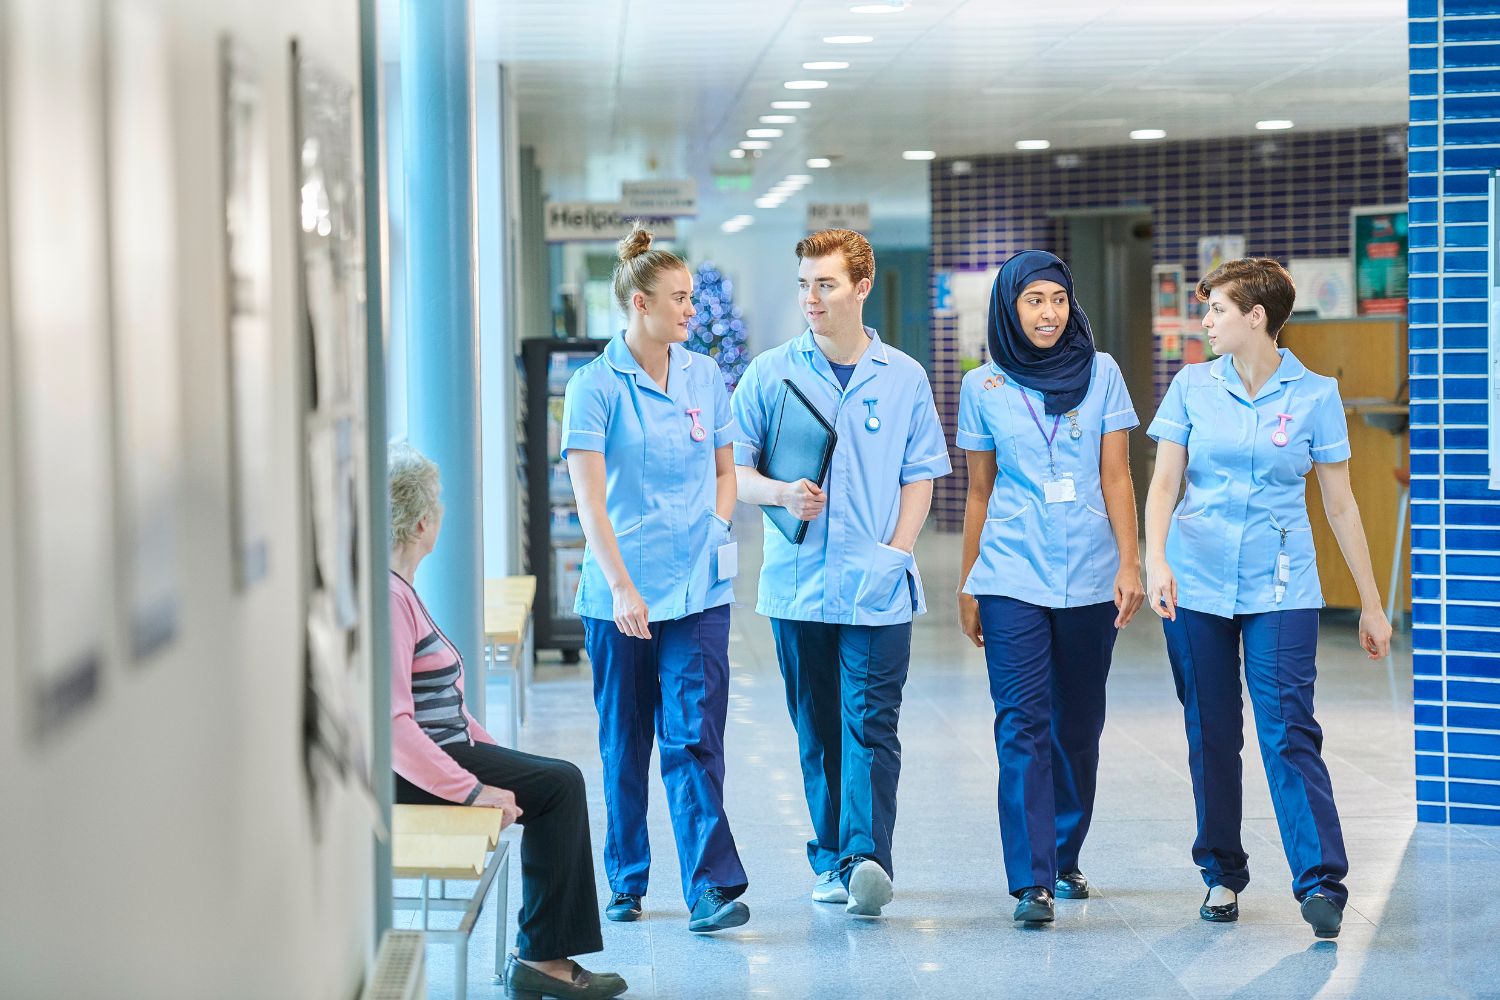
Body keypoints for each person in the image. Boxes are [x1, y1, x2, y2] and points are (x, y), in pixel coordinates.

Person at [1143, 257, 1393, 940]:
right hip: (1194, 581)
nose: (1206, 320)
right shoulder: (1192, 385)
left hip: (1282, 584)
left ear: (1257, 317)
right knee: (1211, 733)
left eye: (1217, 309)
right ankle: (1221, 872)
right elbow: (1165, 483)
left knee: (1289, 728)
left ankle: (1320, 883)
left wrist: (1372, 604)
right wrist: (1154, 558)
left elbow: (1340, 506)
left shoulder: (1314, 395)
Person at [731, 228, 951, 918]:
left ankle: (866, 858)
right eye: (803, 284)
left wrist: (896, 550)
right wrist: (779, 493)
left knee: (872, 722)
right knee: (818, 728)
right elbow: (733, 471)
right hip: (797, 585)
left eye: (824, 284)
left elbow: (922, 476)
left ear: (861, 287)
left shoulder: (905, 377)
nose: (810, 298)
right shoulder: (772, 372)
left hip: (878, 584)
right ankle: (830, 855)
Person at [561, 224, 750, 934]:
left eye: (692, 298)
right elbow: (587, 499)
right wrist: (619, 586)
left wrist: (719, 527)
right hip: (621, 597)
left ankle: (709, 887)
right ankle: (627, 876)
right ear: (639, 304)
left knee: (694, 734)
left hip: (698, 590)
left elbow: (726, 471)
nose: (690, 311)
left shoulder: (704, 374)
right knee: (626, 740)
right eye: (678, 298)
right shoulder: (594, 386)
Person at [387, 443, 625, 1000]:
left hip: (444, 752)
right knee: (561, 786)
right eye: (439, 502)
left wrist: (500, 760)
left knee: (552, 779)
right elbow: (396, 726)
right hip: (418, 771)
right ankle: (543, 960)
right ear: (424, 520)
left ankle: (544, 955)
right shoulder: (391, 598)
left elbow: (446, 708)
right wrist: (472, 791)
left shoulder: (401, 592)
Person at [955, 250, 1145, 924]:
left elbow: (1118, 475)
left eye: (1058, 299)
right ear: (1009, 307)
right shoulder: (982, 387)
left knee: (1079, 725)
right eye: (1034, 300)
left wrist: (1131, 561)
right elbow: (978, 490)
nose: (1048, 313)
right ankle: (1029, 879)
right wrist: (969, 579)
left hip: (1091, 574)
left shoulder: (1104, 375)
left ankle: (1064, 855)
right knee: (1022, 724)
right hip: (1011, 573)